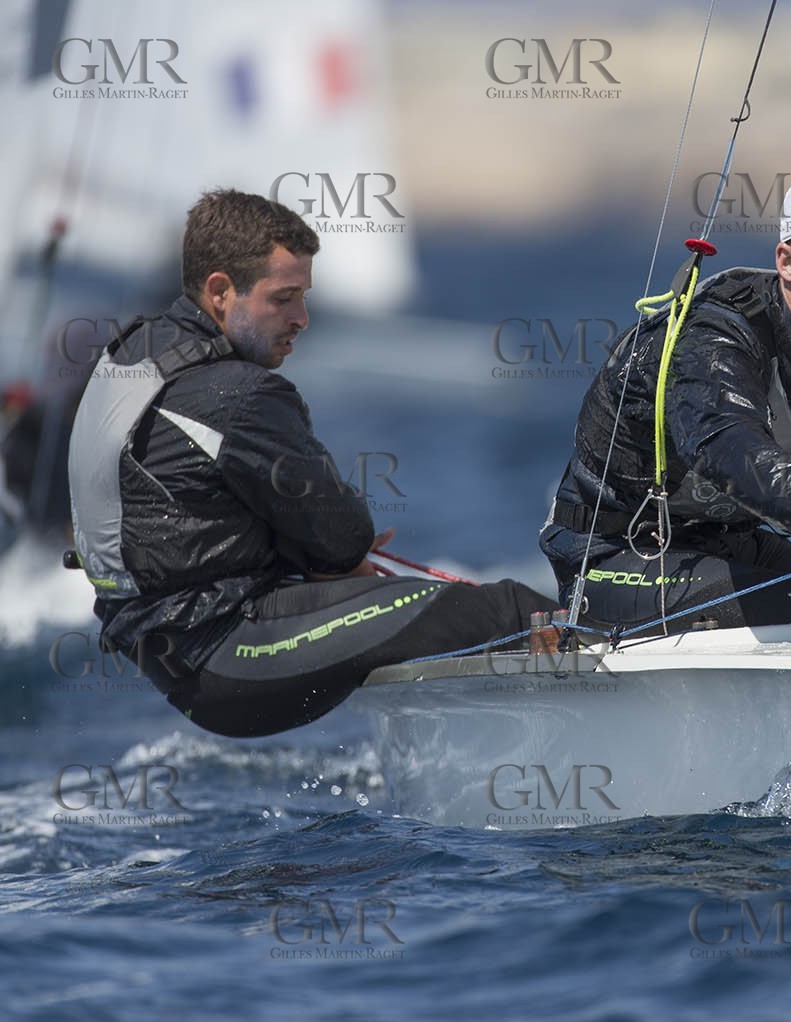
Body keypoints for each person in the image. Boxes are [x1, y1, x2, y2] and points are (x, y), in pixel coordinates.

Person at [67, 189, 556, 738]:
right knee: (516, 611)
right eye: (284, 298)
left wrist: (316, 552)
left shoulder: (130, 353)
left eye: (305, 296)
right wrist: (330, 555)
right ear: (221, 291)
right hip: (226, 654)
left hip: (165, 653)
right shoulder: (239, 396)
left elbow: (183, 507)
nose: (302, 318)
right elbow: (343, 539)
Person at [541, 162, 791, 633]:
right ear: (787, 263)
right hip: (612, 551)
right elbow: (726, 446)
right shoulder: (715, 335)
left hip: (732, 545)